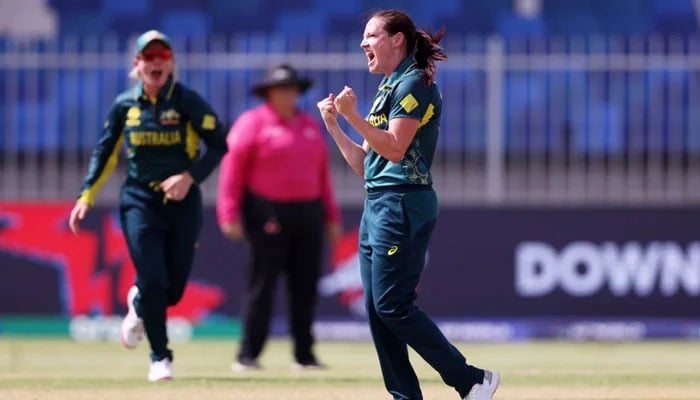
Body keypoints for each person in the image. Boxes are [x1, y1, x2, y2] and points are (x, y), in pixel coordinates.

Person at [316, 9, 500, 400]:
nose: (363, 43)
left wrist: (353, 117)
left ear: (397, 39)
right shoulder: (388, 87)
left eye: (371, 35)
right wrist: (335, 124)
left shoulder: (413, 82)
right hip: (378, 202)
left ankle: (471, 380)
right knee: (378, 311)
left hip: (403, 203)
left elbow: (396, 150)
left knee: (392, 305)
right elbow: (366, 166)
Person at [68, 30, 228, 382]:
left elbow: (219, 144)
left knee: (171, 292)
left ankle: (139, 303)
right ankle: (160, 357)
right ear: (137, 65)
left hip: (183, 203)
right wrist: (86, 196)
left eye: (162, 56)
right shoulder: (125, 105)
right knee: (154, 279)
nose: (156, 63)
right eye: (149, 57)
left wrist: (189, 177)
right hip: (139, 200)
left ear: (170, 63)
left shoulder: (187, 101)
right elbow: (105, 152)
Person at [217, 64, 342, 371]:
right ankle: (248, 354)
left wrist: (331, 215)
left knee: (306, 286)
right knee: (262, 285)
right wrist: (229, 213)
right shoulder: (252, 124)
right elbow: (232, 171)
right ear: (269, 92)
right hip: (267, 214)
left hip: (309, 213)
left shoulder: (310, 125)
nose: (287, 94)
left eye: (292, 88)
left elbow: (322, 175)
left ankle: (304, 354)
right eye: (281, 88)